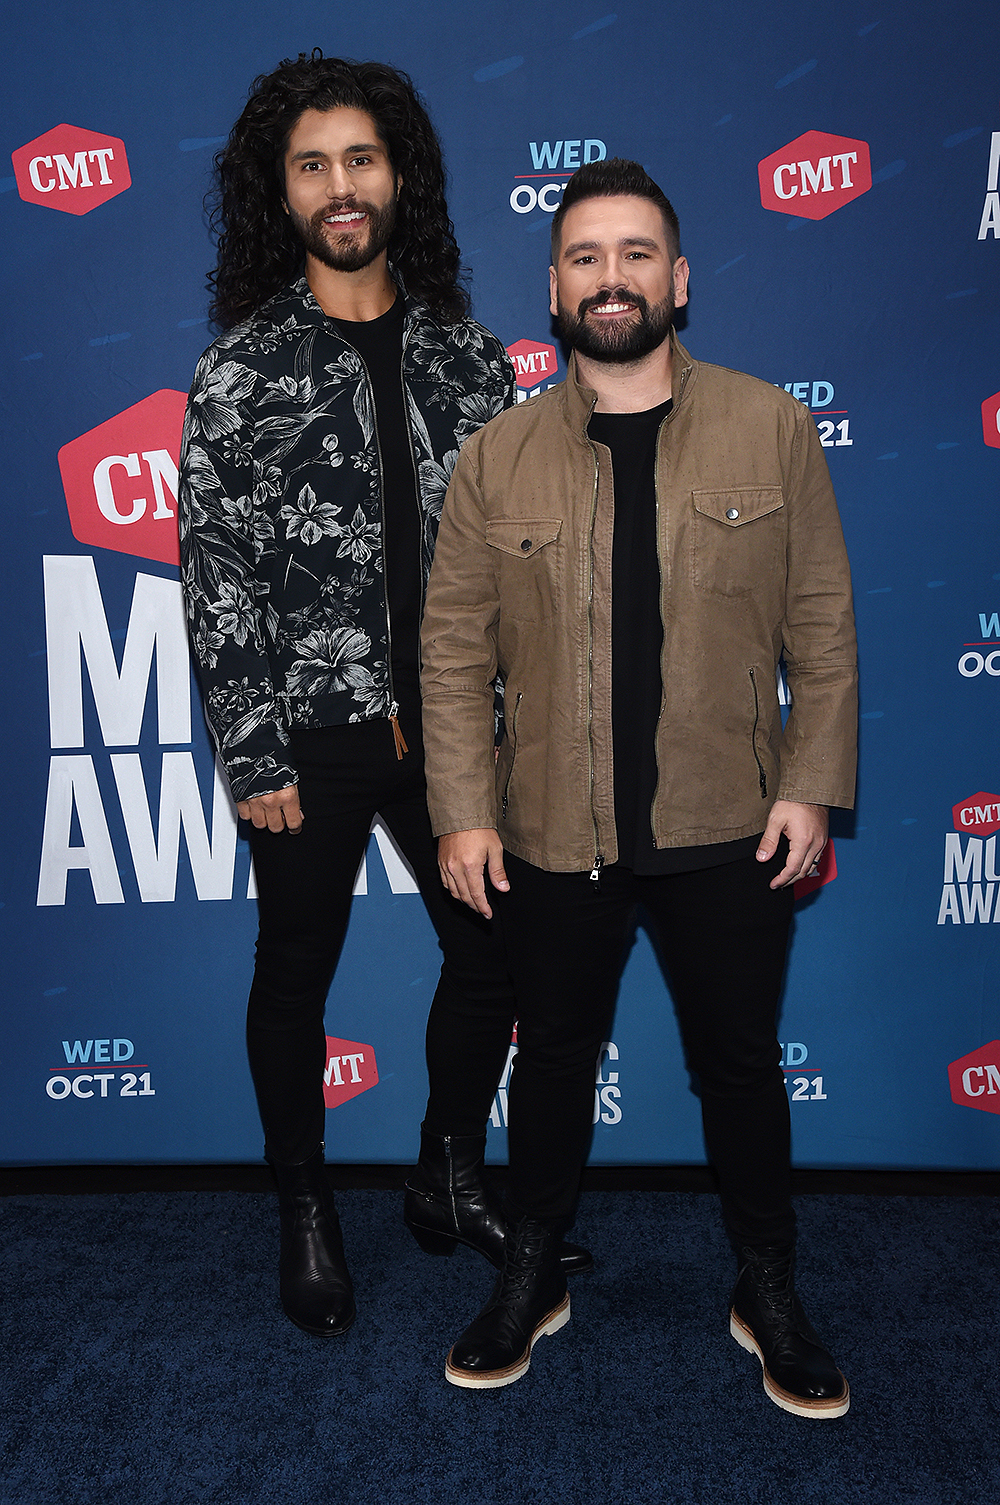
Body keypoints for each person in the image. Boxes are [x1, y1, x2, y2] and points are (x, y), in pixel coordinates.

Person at [420, 158, 857, 1412]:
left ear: (679, 277)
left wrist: (812, 784)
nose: (609, 278)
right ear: (552, 286)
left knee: (740, 1064)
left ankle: (764, 1282)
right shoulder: (495, 456)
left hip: (729, 819)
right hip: (552, 825)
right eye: (583, 256)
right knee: (551, 1058)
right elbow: (450, 653)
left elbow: (819, 624)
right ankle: (533, 1271)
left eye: (634, 253)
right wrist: (462, 808)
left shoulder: (769, 425)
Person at [177, 51, 589, 1341]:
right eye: (313, 165)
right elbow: (218, 575)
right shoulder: (238, 374)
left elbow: (520, 561)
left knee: (498, 953)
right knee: (295, 968)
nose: (341, 186)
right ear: (280, 192)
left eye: (361, 159)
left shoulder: (473, 362)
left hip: (463, 728)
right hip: (312, 732)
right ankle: (304, 1203)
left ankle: (442, 1170)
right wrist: (254, 750)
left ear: (398, 176)